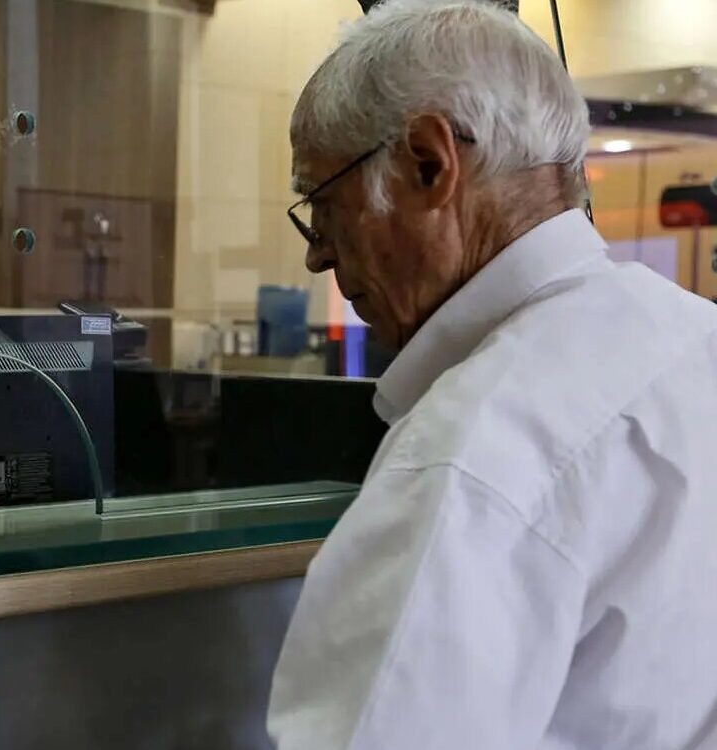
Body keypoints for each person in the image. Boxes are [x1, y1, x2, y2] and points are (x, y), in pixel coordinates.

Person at [268, 1, 717, 748]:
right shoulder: (695, 342)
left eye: (323, 202)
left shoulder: (469, 459)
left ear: (428, 163)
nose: (317, 253)